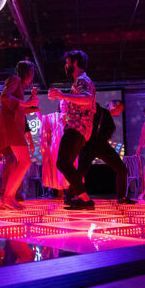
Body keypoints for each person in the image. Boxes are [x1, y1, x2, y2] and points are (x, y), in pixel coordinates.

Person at [49, 50, 97, 210]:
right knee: (66, 163)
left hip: (77, 128)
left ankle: (85, 199)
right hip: (79, 129)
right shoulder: (82, 80)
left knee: (63, 163)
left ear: (75, 62)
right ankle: (83, 198)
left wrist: (62, 95)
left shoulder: (81, 80)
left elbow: (87, 98)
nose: (65, 65)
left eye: (67, 62)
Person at [0, 60, 39, 210]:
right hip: (12, 127)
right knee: (24, 161)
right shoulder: (14, 80)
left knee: (22, 161)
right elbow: (4, 96)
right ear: (27, 72)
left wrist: (29, 106)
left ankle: (8, 197)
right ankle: (8, 197)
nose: (32, 77)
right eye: (32, 73)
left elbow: (16, 108)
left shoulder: (18, 85)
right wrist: (27, 104)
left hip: (14, 127)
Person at [77, 100, 134, 204]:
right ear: (109, 104)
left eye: (120, 109)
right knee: (81, 171)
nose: (117, 109)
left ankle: (121, 197)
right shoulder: (99, 110)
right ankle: (72, 196)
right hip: (90, 144)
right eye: (116, 106)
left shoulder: (108, 117)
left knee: (122, 169)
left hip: (101, 145)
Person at [39, 108, 69, 200]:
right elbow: (43, 120)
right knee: (58, 168)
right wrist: (37, 111)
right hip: (56, 145)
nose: (64, 105)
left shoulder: (72, 115)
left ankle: (71, 193)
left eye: (65, 103)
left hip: (69, 143)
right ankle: (60, 192)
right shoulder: (54, 116)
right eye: (62, 103)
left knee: (69, 167)